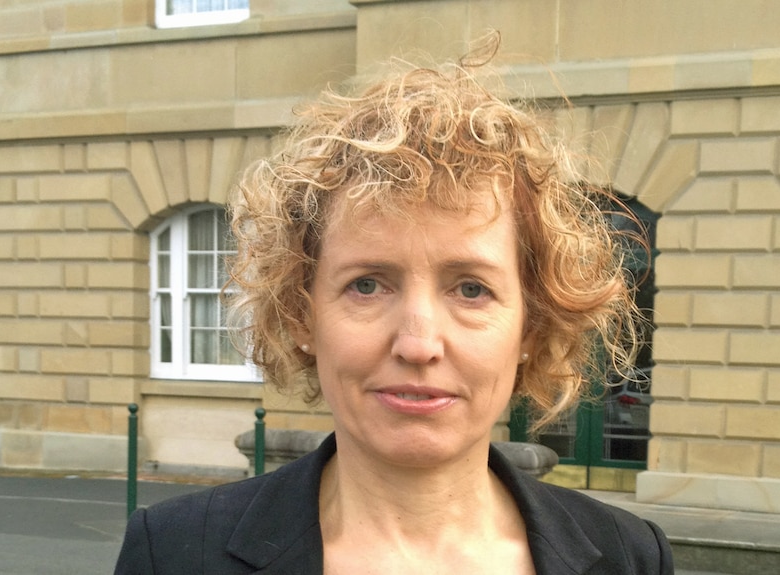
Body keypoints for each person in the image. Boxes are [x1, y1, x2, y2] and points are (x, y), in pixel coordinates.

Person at [114, 40, 674, 575]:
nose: (418, 344)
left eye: (471, 288)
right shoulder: (175, 556)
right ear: (301, 315)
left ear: (532, 324)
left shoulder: (630, 557)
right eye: (367, 285)